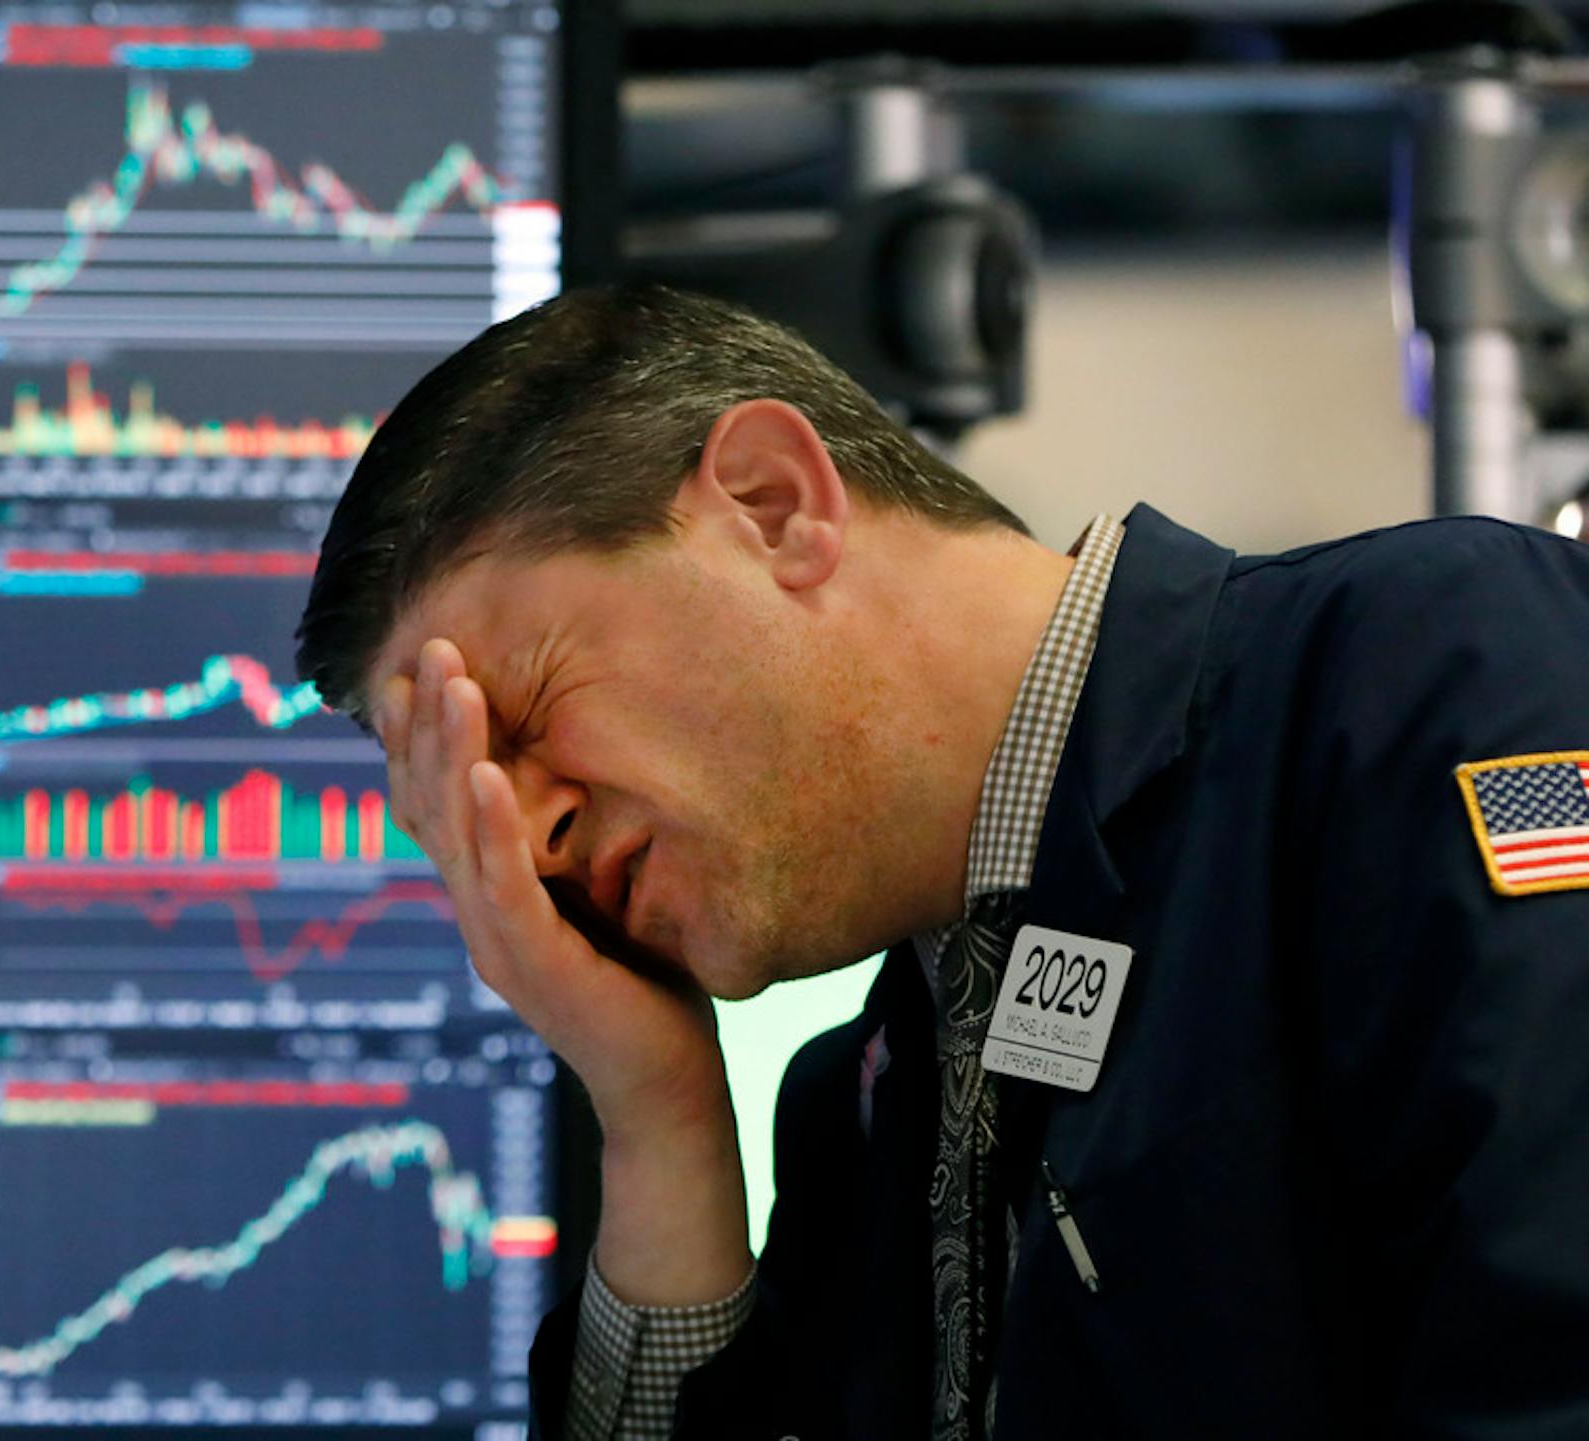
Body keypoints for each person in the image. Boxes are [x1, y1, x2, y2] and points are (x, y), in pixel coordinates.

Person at [292, 284, 1589, 1441]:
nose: (527, 845)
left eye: (521, 714)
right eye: (460, 805)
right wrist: (658, 1119)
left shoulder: (1435, 676)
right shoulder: (861, 1116)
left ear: (773, 504)